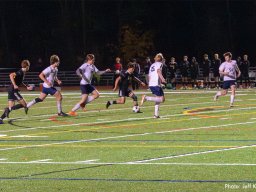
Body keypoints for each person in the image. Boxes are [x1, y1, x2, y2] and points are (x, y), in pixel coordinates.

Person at [0, 60, 31, 124]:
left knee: (11, 107)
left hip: (11, 90)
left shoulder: (22, 72)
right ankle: (7, 109)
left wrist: (26, 86)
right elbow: (11, 75)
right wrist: (14, 84)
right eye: (29, 66)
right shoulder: (20, 72)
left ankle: (0, 118)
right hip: (13, 90)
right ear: (27, 66)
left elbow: (20, 81)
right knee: (24, 104)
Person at [141, 53, 166, 118]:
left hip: (152, 83)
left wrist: (149, 84)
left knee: (157, 99)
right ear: (160, 59)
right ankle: (146, 98)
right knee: (162, 99)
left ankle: (156, 115)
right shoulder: (160, 64)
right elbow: (158, 71)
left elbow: (149, 76)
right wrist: (162, 79)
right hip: (155, 84)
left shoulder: (152, 65)